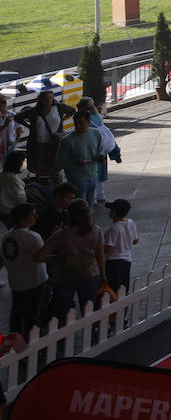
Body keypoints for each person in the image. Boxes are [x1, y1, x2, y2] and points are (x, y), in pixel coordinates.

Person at [37, 199, 105, 322]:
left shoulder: (61, 235)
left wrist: (58, 258)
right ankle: (92, 334)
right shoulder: (96, 231)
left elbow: (40, 257)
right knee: (89, 309)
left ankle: (62, 337)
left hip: (65, 276)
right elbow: (100, 256)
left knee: (62, 310)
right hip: (91, 273)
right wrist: (103, 276)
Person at [1, 203, 47, 338]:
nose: (36, 217)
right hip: (35, 282)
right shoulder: (32, 236)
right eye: (32, 215)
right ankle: (32, 345)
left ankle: (17, 346)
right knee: (32, 315)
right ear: (22, 219)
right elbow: (42, 256)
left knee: (17, 314)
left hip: (16, 283)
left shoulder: (6, 237)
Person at [56, 110, 102, 203]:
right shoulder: (67, 141)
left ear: (88, 121)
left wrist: (101, 155)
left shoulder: (96, 133)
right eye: (76, 123)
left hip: (92, 174)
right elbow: (60, 162)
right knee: (80, 204)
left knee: (90, 203)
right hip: (77, 178)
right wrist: (74, 161)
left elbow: (100, 148)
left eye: (81, 123)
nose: (78, 126)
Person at [100, 197, 138, 294]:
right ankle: (124, 307)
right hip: (127, 260)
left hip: (113, 261)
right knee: (124, 287)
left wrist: (97, 245)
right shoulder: (131, 223)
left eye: (111, 210)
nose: (109, 212)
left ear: (115, 212)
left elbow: (109, 248)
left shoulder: (114, 228)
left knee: (113, 288)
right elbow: (135, 241)